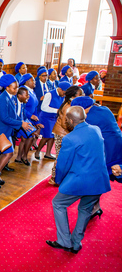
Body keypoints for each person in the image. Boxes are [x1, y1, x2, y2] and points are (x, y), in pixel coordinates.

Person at [46, 106, 110, 254]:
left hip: (80, 181)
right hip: (99, 180)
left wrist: (59, 180)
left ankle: (64, 241)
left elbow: (63, 164)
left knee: (58, 203)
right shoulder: (96, 129)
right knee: (85, 209)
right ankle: (76, 243)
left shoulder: (70, 138)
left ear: (69, 120)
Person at [71, 96, 122, 219]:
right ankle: (96, 206)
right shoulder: (104, 109)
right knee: (102, 175)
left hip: (106, 149)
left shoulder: (89, 117)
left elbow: (80, 133)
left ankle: (93, 208)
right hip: (118, 145)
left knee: (94, 177)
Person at [0, 75, 31, 188]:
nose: (16, 90)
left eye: (17, 87)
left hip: (6, 130)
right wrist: (21, 124)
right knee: (8, 153)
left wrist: (22, 122)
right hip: (0, 131)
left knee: (7, 154)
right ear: (7, 87)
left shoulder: (10, 97)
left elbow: (13, 115)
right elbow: (4, 118)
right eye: (14, 88)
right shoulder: (2, 99)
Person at [49, 86, 83, 184]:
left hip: (64, 133)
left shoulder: (70, 104)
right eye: (79, 95)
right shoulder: (68, 107)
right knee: (60, 157)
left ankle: (61, 177)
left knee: (64, 156)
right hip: (62, 133)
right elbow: (65, 124)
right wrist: (76, 130)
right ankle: (54, 178)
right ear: (72, 96)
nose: (81, 96)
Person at [35, 81, 71, 160]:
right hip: (46, 118)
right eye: (64, 92)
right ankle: (37, 151)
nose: (64, 95)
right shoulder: (49, 94)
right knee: (46, 136)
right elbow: (43, 107)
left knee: (52, 136)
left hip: (54, 118)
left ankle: (48, 153)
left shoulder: (63, 96)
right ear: (60, 89)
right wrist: (57, 111)